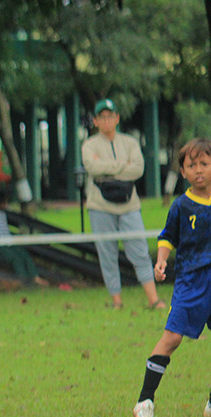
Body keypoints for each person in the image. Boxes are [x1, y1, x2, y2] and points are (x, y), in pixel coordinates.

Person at [132, 137, 211, 417]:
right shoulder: (181, 205)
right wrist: (162, 259)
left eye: (205, 163)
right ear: (184, 172)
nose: (199, 170)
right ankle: (145, 401)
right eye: (192, 165)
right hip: (191, 280)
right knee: (172, 338)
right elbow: (168, 236)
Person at [82, 99, 164, 310]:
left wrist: (107, 169)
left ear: (117, 118)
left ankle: (153, 299)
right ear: (95, 121)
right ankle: (116, 301)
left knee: (140, 251)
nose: (106, 120)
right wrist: (122, 166)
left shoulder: (130, 143)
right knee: (107, 253)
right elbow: (92, 167)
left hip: (129, 205)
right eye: (102, 117)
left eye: (110, 116)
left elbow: (137, 169)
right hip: (100, 205)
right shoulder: (89, 145)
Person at [0, 190, 49, 287]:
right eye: (4, 202)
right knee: (15, 259)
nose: (6, 204)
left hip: (9, 242)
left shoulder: (2, 213)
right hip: (0, 245)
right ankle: (24, 280)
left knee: (24, 254)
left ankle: (35, 277)